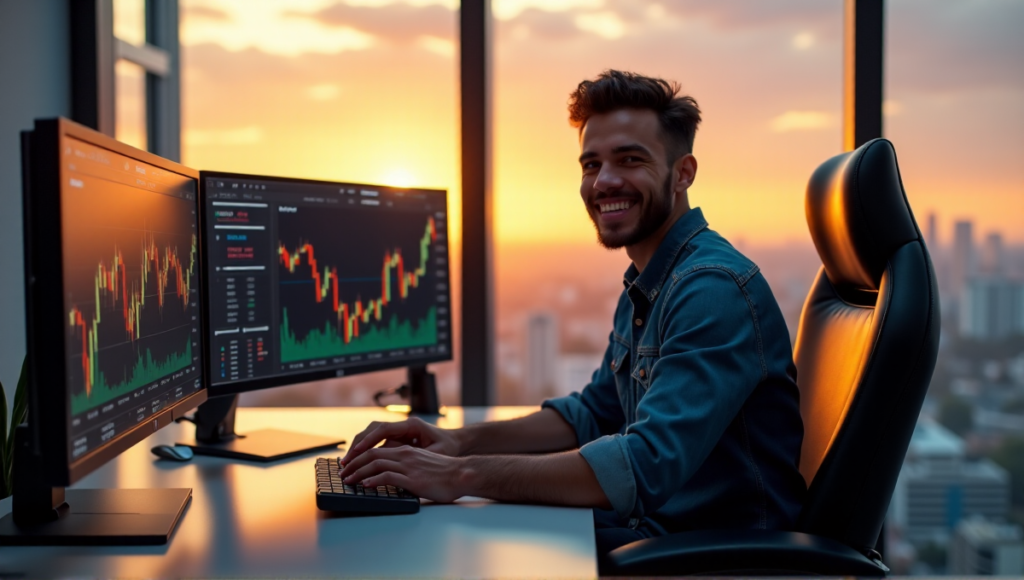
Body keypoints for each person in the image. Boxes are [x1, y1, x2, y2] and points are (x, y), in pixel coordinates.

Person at [339, 70, 806, 567]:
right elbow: (593, 414)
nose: (604, 181)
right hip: (652, 534)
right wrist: (457, 443)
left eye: (630, 159)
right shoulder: (649, 282)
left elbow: (643, 464)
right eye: (591, 164)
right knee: (449, 538)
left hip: (712, 559)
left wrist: (460, 476)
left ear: (683, 172)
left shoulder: (711, 290)